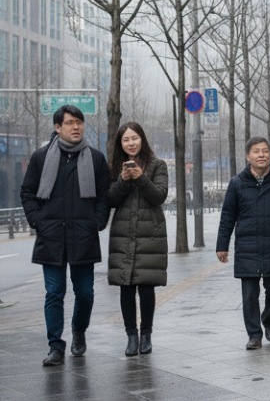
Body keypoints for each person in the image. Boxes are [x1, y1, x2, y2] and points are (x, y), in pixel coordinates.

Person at [20, 105, 110, 366]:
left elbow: (104, 196)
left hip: (83, 236)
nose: (76, 127)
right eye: (70, 123)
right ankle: (55, 346)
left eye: (79, 122)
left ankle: (79, 329)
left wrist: (97, 222)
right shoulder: (41, 158)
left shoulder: (95, 159)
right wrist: (38, 221)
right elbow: (27, 193)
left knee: (85, 294)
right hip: (51, 237)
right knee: (54, 293)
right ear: (57, 127)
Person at [216, 137, 270, 350]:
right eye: (256, 151)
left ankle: (268, 319)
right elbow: (228, 215)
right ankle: (254, 335)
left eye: (265, 151)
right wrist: (222, 246)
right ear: (247, 156)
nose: (261, 155)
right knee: (250, 295)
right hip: (247, 247)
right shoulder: (237, 183)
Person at [106, 122, 169, 357]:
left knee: (146, 286)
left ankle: (146, 335)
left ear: (142, 139)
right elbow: (110, 199)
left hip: (149, 232)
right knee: (126, 286)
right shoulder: (114, 167)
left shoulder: (157, 165)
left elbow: (159, 196)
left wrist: (141, 178)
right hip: (123, 232)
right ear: (120, 144)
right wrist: (123, 180)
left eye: (135, 138)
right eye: (126, 140)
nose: (131, 143)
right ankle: (131, 335)